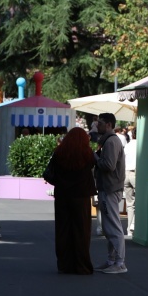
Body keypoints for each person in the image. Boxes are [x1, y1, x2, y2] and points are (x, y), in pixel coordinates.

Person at [48, 127, 97, 274]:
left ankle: (64, 264)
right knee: (82, 230)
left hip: (62, 195)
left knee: (63, 229)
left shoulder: (59, 152)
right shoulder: (87, 153)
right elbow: (93, 165)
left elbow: (51, 171)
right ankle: (82, 265)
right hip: (81, 196)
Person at [93, 113, 127, 274]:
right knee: (109, 227)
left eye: (100, 123)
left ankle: (119, 262)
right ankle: (112, 260)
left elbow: (109, 165)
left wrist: (95, 158)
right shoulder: (110, 141)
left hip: (110, 188)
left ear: (108, 124)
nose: (97, 125)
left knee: (113, 226)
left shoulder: (111, 141)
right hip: (109, 188)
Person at [123, 127, 137, 239]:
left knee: (129, 204)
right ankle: (133, 224)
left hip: (126, 173)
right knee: (140, 201)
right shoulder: (142, 145)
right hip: (136, 173)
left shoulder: (127, 145)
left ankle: (129, 230)